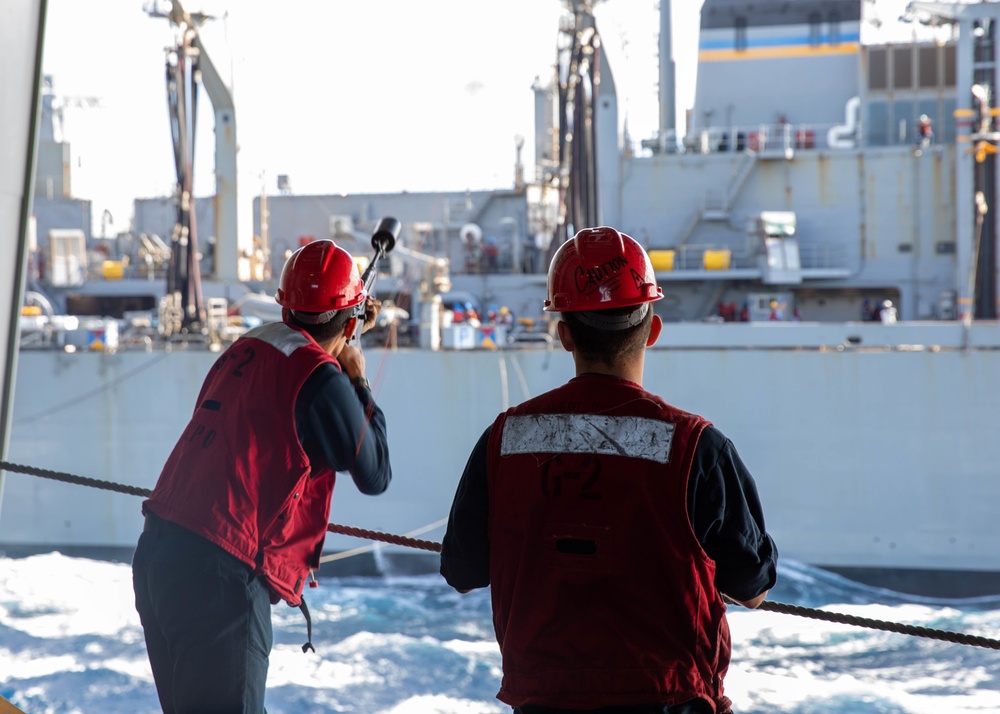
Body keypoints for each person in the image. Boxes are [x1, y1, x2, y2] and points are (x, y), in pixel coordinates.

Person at [441, 226, 777, 714]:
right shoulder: (697, 447)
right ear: (653, 329)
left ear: (564, 335)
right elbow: (752, 587)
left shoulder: (504, 440)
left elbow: (462, 571)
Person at [132, 238, 392, 714]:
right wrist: (356, 373)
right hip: (220, 577)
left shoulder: (248, 346)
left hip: (159, 556)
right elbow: (374, 471)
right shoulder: (322, 375)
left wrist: (344, 340)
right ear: (351, 322)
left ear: (286, 305)